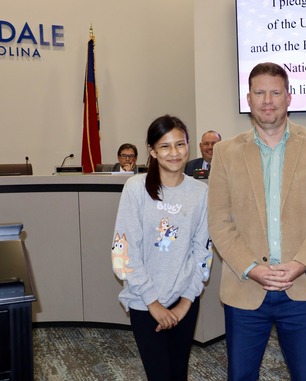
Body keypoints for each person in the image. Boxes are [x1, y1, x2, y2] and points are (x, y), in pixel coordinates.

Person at [208, 62, 306, 381]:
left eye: (275, 92)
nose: (268, 100)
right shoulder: (225, 152)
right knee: (240, 376)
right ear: (249, 99)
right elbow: (218, 221)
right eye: (259, 92)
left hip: (302, 286)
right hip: (245, 287)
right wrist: (253, 268)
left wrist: (298, 264)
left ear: (289, 97)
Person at [112, 115, 212, 381]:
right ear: (152, 151)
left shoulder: (200, 192)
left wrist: (186, 302)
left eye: (180, 144)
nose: (174, 153)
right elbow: (124, 252)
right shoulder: (136, 188)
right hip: (145, 303)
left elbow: (202, 251)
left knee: (179, 373)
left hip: (184, 301)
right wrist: (153, 302)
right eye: (165, 146)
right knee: (159, 375)